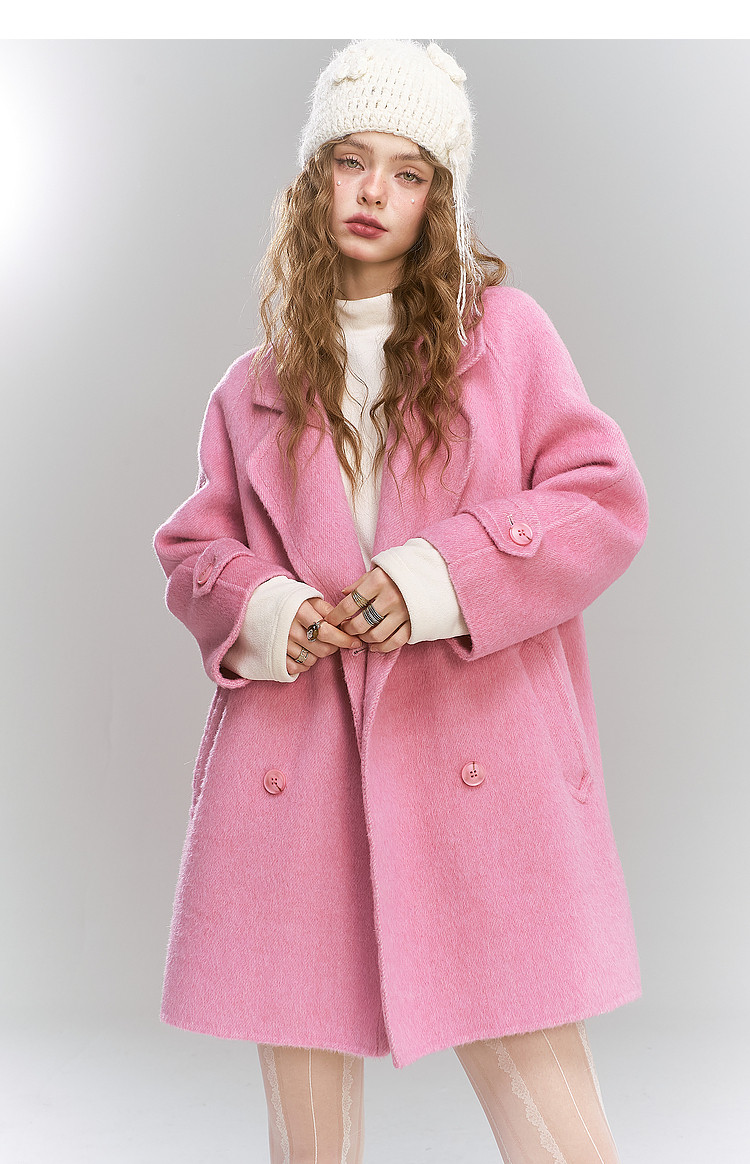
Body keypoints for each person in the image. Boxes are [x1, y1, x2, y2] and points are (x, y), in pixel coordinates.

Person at [153, 39, 649, 1164]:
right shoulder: (254, 383)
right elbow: (194, 548)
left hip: (482, 755)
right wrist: (271, 608)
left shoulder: (505, 339)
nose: (373, 191)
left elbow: (603, 500)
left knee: (555, 1116)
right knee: (306, 1130)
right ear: (313, 179)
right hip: (298, 772)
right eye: (350, 161)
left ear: (439, 199)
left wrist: (438, 578)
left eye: (408, 170)